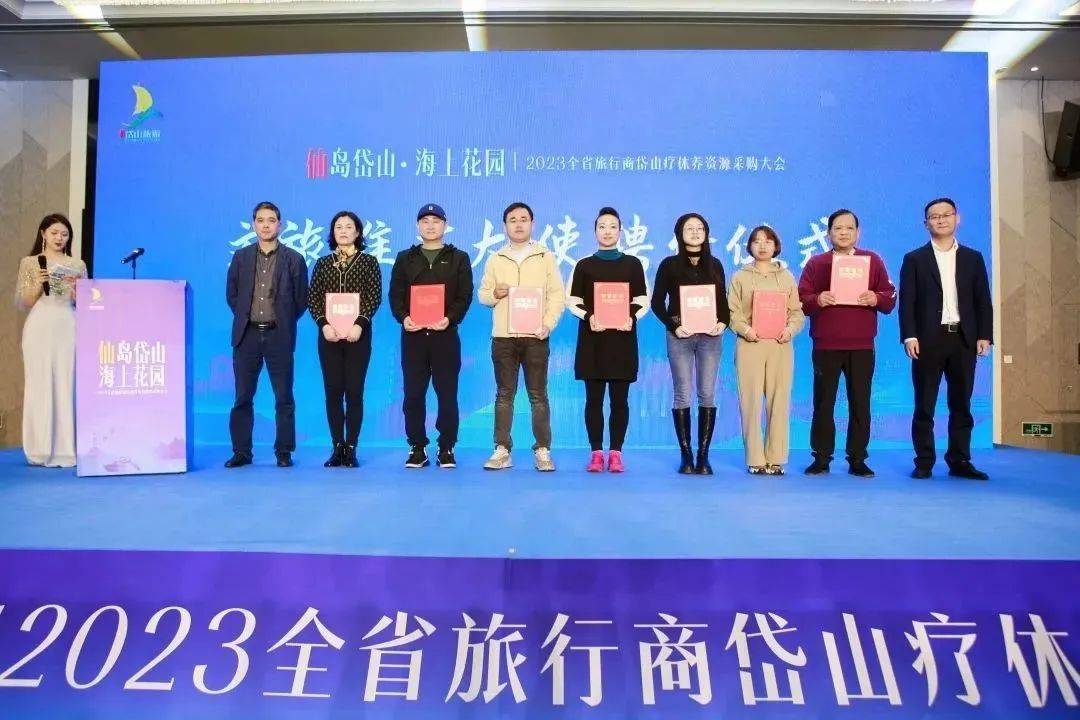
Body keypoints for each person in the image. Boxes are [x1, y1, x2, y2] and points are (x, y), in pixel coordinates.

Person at [900, 197, 993, 480]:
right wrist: (909, 336)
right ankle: (924, 461)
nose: (940, 220)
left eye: (946, 214)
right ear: (925, 223)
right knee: (924, 404)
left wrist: (984, 335)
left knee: (961, 404)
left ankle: (960, 460)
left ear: (957, 218)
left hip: (963, 338)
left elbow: (982, 299)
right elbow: (907, 302)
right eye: (934, 216)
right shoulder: (915, 259)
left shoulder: (973, 258)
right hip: (928, 340)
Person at [798, 209, 896, 478]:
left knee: (860, 402)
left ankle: (857, 458)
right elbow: (801, 299)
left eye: (849, 228)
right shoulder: (817, 263)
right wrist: (817, 299)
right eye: (838, 228)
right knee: (823, 403)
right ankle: (821, 458)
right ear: (828, 233)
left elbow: (889, 297)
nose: (843, 233)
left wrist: (876, 298)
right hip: (826, 344)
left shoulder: (872, 260)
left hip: (862, 345)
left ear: (858, 232)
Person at [477, 202, 566, 471]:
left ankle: (543, 450)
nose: (518, 224)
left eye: (523, 219)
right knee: (504, 395)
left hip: (535, 336)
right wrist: (495, 294)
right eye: (513, 220)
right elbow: (483, 295)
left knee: (538, 395)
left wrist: (548, 324)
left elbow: (557, 295)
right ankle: (502, 449)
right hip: (504, 338)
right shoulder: (496, 258)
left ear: (532, 224)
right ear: (505, 226)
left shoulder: (545, 256)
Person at [224, 201, 309, 468]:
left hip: (278, 335)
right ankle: (242, 452)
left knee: (283, 397)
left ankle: (284, 451)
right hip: (246, 335)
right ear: (254, 225)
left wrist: (282, 320)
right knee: (242, 397)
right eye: (260, 220)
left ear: (279, 225)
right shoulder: (241, 257)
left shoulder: (294, 259)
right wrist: (247, 318)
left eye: (271, 220)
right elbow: (232, 295)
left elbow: (301, 301)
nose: (266, 225)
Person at [388, 203, 473, 469]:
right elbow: (395, 295)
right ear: (418, 226)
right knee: (413, 395)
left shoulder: (458, 258)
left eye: (436, 221)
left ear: (445, 225)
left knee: (447, 395)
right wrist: (404, 317)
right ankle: (417, 447)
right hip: (413, 337)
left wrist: (449, 318)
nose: (430, 226)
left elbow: (464, 296)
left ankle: (446, 446)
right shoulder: (405, 258)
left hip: (445, 336)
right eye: (425, 221)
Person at [566, 207, 649, 473]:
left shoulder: (633, 264)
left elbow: (642, 299)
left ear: (620, 231)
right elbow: (573, 300)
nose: (607, 231)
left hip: (622, 341)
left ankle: (615, 453)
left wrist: (630, 317)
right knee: (593, 400)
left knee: (619, 401)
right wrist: (589, 316)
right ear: (595, 231)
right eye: (602, 226)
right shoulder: (584, 265)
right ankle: (595, 453)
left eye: (613, 226)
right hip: (592, 341)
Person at [651, 212, 730, 474]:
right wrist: (674, 326)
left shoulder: (715, 265)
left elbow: (722, 302)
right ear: (679, 234)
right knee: (682, 393)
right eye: (689, 228)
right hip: (680, 336)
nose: (695, 233)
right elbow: (656, 302)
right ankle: (686, 456)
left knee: (707, 392)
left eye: (700, 228)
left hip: (710, 337)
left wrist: (723, 322)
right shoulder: (669, 265)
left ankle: (703, 456)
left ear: (706, 233)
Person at [307, 210, 382, 468]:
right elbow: (314, 297)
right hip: (329, 337)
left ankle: (351, 447)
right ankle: (337, 446)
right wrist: (324, 324)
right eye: (338, 226)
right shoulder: (323, 264)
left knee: (354, 392)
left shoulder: (368, 262)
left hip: (358, 336)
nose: (343, 231)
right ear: (333, 232)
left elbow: (373, 296)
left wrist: (360, 324)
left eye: (349, 226)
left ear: (357, 232)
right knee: (332, 392)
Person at [728, 226, 804, 475]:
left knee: (779, 401)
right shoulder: (740, 277)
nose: (762, 246)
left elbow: (796, 312)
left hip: (780, 345)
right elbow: (732, 313)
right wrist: (745, 330)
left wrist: (790, 330)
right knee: (750, 402)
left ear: (776, 246)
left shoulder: (786, 277)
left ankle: (776, 458)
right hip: (750, 344)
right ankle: (755, 459)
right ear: (749, 246)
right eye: (757, 241)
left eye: (768, 241)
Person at [17, 213, 86, 467]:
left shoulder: (77, 264)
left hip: (68, 323)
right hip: (40, 325)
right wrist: (38, 283)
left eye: (65, 234)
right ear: (43, 233)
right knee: (40, 382)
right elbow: (25, 301)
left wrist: (77, 291)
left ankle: (66, 449)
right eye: (55, 233)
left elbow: (85, 302)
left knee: (66, 381)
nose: (59, 238)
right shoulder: (31, 262)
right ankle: (39, 448)